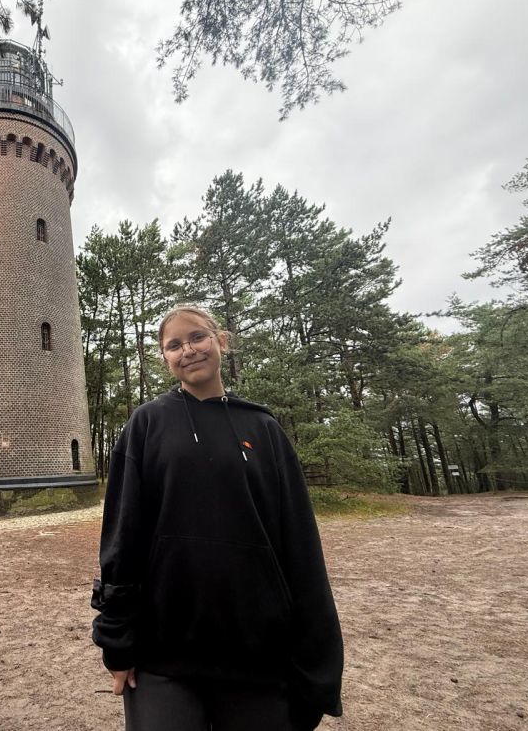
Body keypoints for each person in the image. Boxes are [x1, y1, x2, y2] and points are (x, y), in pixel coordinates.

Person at [91, 305, 343, 731]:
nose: (188, 350)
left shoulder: (263, 429)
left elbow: (300, 547)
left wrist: (317, 663)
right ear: (164, 357)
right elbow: (123, 538)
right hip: (163, 652)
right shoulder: (147, 424)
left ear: (220, 341)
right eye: (174, 345)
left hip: (257, 654)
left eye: (197, 337)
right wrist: (117, 639)